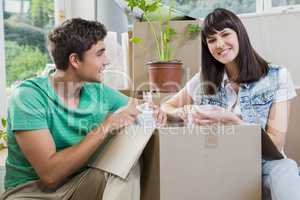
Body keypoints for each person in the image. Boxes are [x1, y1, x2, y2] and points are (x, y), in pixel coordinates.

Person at [1, 18, 166, 200]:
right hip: (31, 192)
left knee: (127, 163)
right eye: (100, 54)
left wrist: (153, 110)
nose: (107, 61)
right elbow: (50, 175)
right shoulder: (29, 97)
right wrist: (106, 125)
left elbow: (135, 106)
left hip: (79, 182)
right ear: (75, 60)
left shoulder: (97, 91)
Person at [162, 8, 300, 200]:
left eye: (225, 34)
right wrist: (183, 112)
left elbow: (276, 143)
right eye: (211, 40)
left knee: (286, 168)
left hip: (264, 164)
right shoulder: (203, 80)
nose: (219, 44)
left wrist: (234, 121)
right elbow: (166, 107)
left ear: (240, 35)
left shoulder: (277, 76)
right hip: (217, 162)